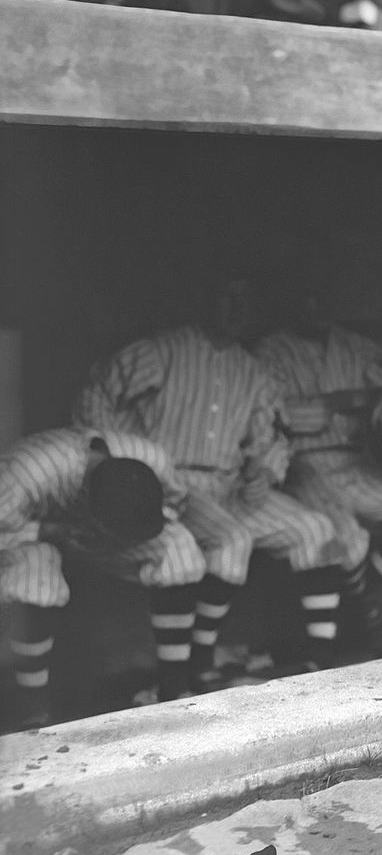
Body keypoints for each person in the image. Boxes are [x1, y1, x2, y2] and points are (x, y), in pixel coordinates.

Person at [73, 274, 345, 690]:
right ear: (205, 299)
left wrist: (265, 469)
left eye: (246, 300)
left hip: (231, 485)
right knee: (231, 541)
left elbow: (274, 433)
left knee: (316, 528)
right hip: (170, 486)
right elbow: (97, 393)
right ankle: (199, 666)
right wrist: (119, 469)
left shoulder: (253, 369)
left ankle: (321, 665)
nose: (238, 309)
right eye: (227, 297)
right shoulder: (162, 351)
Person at [1, 428, 206, 728]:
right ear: (84, 495)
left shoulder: (151, 458)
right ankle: (32, 704)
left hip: (101, 533)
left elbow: (177, 501)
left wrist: (122, 533)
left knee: (179, 548)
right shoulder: (28, 471)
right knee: (35, 577)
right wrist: (49, 531)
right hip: (34, 529)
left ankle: (172, 686)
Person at [256, 286, 382, 640]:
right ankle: (355, 613)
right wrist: (353, 399)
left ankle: (368, 584)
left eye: (322, 301)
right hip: (302, 465)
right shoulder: (272, 350)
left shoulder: (353, 347)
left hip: (357, 464)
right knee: (347, 542)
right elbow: (288, 415)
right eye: (307, 301)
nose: (315, 310)